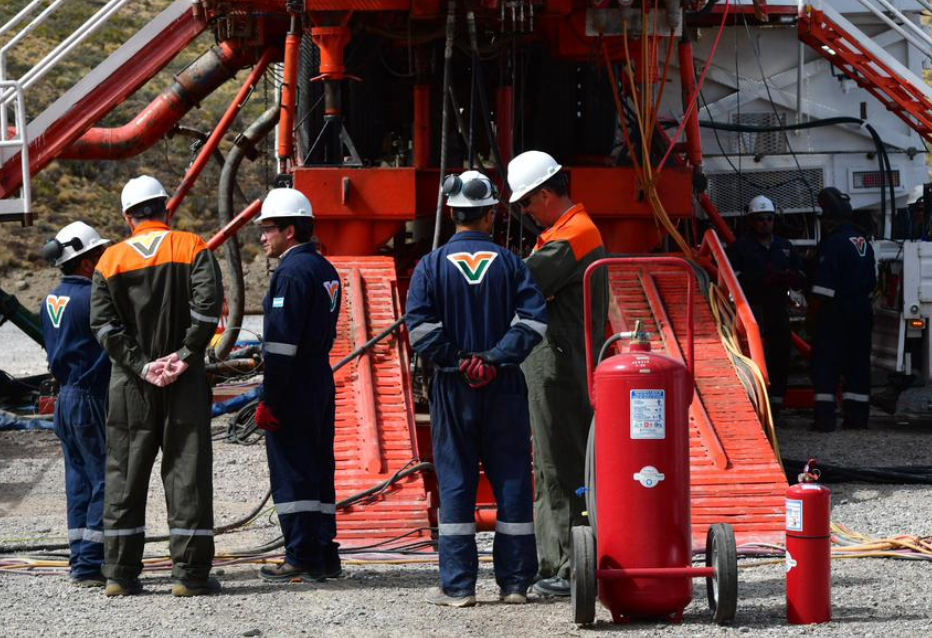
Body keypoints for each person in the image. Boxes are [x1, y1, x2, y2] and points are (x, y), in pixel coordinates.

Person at [406, 170, 547, 607]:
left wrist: (459, 360)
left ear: (452, 214)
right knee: (512, 479)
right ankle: (515, 584)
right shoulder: (512, 264)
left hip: (453, 388)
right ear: (490, 215)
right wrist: (494, 359)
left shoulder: (429, 266)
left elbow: (420, 329)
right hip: (503, 386)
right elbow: (534, 322)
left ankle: (459, 587)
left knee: (455, 482)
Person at [90, 175, 224, 597]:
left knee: (124, 476)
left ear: (127, 217)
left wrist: (142, 365)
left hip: (130, 385)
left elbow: (104, 326)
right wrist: (184, 355)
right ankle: (190, 575)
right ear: (165, 208)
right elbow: (208, 311)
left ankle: (119, 574)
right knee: (187, 474)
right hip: (183, 383)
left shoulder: (109, 260)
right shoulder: (192, 247)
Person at [506, 151, 608, 598]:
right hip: (557, 363)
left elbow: (522, 284)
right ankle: (556, 561)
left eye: (527, 203)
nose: (526, 213)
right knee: (550, 466)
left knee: (561, 467)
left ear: (546, 194)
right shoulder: (565, 234)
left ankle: (570, 566)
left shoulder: (573, 237)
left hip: (559, 368)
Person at [252, 188, 343, 583]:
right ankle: (324, 553)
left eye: (268, 229)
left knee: (293, 469)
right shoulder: (325, 269)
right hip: (319, 377)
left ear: (290, 231)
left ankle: (300, 555)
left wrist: (270, 398)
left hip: (294, 383)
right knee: (319, 465)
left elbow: (280, 345)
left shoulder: (291, 274)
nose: (262, 237)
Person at [39, 222, 111, 587]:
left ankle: (79, 558)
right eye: (99, 255)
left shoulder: (51, 300)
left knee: (78, 480)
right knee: (106, 480)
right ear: (85, 261)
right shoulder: (92, 299)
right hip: (89, 398)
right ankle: (91, 563)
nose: (103, 261)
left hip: (64, 398)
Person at [726, 195, 805, 420]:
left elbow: (801, 275)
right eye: (760, 219)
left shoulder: (785, 247)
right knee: (753, 355)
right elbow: (732, 278)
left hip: (777, 308)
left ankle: (776, 404)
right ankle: (754, 402)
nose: (765, 223)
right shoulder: (740, 248)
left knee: (780, 354)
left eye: (769, 218)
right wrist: (759, 279)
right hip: (752, 309)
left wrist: (791, 277)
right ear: (751, 221)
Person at [808, 186, 876, 432]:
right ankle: (857, 418)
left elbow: (823, 289)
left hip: (836, 312)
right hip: (862, 311)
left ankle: (825, 419)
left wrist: (812, 317)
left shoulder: (833, 243)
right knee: (858, 365)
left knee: (826, 364)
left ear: (831, 218)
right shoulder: (863, 241)